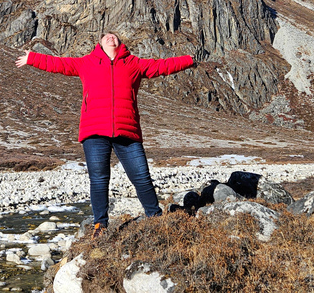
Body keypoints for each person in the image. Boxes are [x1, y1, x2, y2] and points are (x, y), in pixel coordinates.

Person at [15, 32, 204, 238]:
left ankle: (155, 218)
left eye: (113, 36)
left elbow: (162, 66)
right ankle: (100, 225)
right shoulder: (86, 63)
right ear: (100, 43)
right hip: (94, 131)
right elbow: (60, 64)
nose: (110, 37)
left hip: (127, 130)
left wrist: (188, 61)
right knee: (98, 179)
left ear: (120, 43)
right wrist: (32, 58)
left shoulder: (134, 64)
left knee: (142, 177)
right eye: (106, 36)